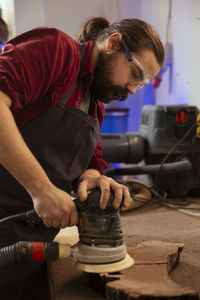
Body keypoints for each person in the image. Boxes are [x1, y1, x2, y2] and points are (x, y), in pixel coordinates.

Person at [0, 16, 164, 299]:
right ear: (113, 44)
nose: (132, 89)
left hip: (31, 238)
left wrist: (93, 178)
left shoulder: (93, 105)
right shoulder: (55, 50)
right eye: (135, 73)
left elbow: (88, 160)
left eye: (142, 84)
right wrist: (42, 190)